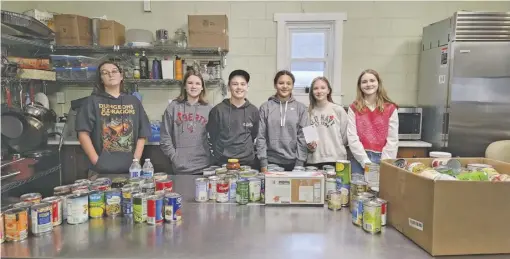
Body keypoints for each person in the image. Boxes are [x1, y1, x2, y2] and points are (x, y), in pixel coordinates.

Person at [76, 61, 151, 178]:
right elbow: (83, 133)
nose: (110, 75)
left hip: (131, 169)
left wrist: (135, 160)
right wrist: (97, 162)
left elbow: (143, 134)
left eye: (114, 71)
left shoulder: (133, 101)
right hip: (100, 171)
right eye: (105, 73)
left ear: (121, 76)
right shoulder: (91, 102)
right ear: (101, 79)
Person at [347, 69, 399, 175]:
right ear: (360, 86)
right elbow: (352, 138)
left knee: (381, 191)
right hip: (359, 158)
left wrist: (385, 163)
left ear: (378, 83)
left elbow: (392, 139)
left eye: (372, 80)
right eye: (364, 82)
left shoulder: (390, 108)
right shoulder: (354, 108)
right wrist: (365, 162)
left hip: (383, 157)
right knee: (358, 190)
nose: (368, 84)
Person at [160, 70, 212, 174]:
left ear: (202, 87)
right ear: (184, 86)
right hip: (181, 168)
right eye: (190, 83)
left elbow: (215, 137)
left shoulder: (209, 109)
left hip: (205, 167)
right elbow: (165, 138)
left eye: (197, 83)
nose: (194, 86)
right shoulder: (173, 107)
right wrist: (175, 158)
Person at [256, 70, 309, 172]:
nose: (285, 86)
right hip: (270, 162)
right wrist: (263, 163)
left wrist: (300, 163)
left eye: (288, 83)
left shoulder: (301, 108)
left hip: (295, 163)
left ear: (292, 86)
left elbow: (303, 137)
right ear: (275, 85)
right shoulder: (265, 107)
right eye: (281, 83)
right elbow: (261, 136)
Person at [207, 70, 259, 168]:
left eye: (243, 84)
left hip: (247, 163)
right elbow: (212, 136)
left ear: (247, 87)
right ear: (229, 87)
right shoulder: (218, 110)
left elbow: (253, 135)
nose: (239, 87)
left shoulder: (253, 111)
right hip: (223, 163)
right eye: (235, 84)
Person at [306, 76, 348, 168]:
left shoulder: (338, 110)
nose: (319, 91)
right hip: (314, 161)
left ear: (328, 90)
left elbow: (345, 137)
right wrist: (310, 145)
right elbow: (309, 141)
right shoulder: (308, 113)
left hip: (337, 159)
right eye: (315, 88)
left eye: (323, 88)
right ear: (312, 92)